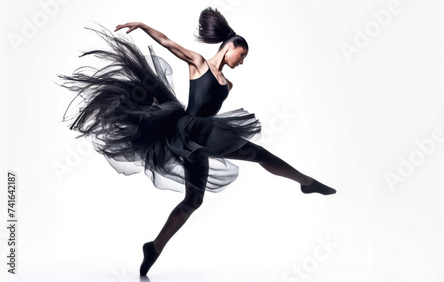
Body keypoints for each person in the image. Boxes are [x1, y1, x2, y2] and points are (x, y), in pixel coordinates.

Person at [57, 7, 336, 277]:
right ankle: (306, 182)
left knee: (196, 199)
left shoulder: (228, 84)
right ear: (231, 46)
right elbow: (168, 43)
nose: (242, 61)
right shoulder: (199, 63)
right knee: (246, 163)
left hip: (204, 137)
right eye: (242, 54)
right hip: (189, 132)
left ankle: (153, 248)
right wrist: (142, 25)